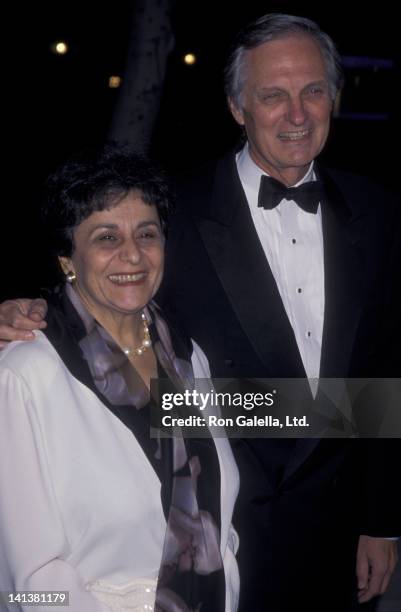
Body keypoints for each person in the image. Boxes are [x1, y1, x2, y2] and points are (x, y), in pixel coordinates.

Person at [0, 12, 400, 612]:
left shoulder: (381, 211)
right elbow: (102, 285)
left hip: (328, 539)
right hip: (219, 544)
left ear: (334, 98)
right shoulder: (172, 215)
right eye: (273, 96)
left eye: (313, 91)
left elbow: (383, 370)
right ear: (238, 107)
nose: (297, 114)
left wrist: (381, 518)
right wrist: (29, 312)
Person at [0, 145, 239, 612]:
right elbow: (26, 582)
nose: (133, 254)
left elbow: (295, 415)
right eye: (106, 238)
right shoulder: (24, 375)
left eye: (147, 233)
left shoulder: (188, 359)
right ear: (68, 258)